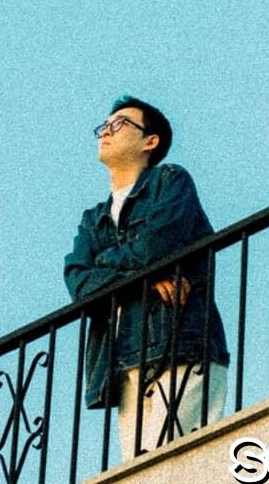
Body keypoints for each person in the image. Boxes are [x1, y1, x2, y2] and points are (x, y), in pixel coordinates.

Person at [63, 96, 229, 459]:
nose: (106, 132)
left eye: (120, 124)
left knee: (175, 466)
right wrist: (146, 279)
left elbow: (156, 246)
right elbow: (78, 283)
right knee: (140, 471)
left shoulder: (170, 181)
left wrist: (109, 264)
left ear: (150, 141)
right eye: (103, 126)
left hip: (180, 344)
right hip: (124, 360)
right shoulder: (94, 219)